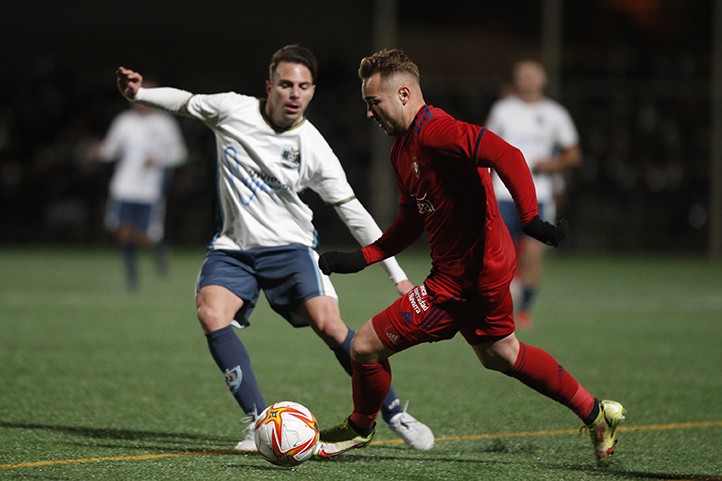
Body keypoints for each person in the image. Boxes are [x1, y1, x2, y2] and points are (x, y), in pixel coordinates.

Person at [114, 45, 434, 451]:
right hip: (234, 248)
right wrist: (137, 95)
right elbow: (185, 103)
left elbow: (354, 213)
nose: (294, 93)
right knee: (211, 313)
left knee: (330, 325)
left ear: (313, 91)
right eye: (286, 84)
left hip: (292, 249)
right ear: (270, 87)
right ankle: (257, 422)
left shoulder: (314, 147)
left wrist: (398, 276)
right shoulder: (232, 111)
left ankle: (393, 412)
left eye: (303, 86)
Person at [314, 49, 624, 466]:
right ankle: (596, 411)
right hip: (479, 272)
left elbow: (508, 155)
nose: (370, 113)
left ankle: (359, 426)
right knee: (501, 354)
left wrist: (530, 219)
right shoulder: (401, 149)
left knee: (365, 345)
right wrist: (364, 257)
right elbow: (410, 220)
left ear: (404, 94)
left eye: (374, 102)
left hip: (462, 281)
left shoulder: (438, 132)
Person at [486, 58, 582, 327]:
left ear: (543, 79)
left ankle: (525, 310)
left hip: (539, 195)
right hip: (503, 193)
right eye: (522, 74)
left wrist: (552, 165)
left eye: (532, 74)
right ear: (516, 79)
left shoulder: (555, 114)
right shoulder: (503, 110)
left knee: (532, 254)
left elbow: (574, 154)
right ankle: (497, 307)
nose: (527, 78)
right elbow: (485, 144)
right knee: (497, 255)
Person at [92, 92, 188, 291]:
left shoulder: (164, 123)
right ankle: (132, 280)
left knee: (146, 236)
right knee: (124, 233)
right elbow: (111, 150)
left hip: (149, 190)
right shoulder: (123, 122)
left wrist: (159, 159)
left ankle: (160, 253)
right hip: (124, 186)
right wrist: (98, 151)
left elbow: (180, 154)